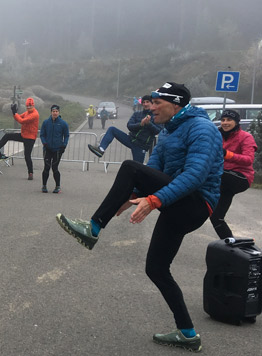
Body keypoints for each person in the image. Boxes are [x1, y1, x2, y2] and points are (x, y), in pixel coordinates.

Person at [56, 82, 222, 352]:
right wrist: (131, 195)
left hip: (195, 204)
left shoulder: (202, 129)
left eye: (157, 103)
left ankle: (94, 227)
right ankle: (188, 333)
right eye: (151, 102)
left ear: (176, 104)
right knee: (156, 268)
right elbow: (153, 168)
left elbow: (195, 175)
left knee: (129, 166)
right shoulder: (168, 132)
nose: (151, 107)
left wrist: (155, 199)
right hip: (177, 201)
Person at [210, 109, 257, 239]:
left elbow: (249, 159)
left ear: (236, 122)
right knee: (216, 217)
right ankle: (230, 244)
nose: (225, 123)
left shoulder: (246, 137)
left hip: (241, 177)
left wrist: (227, 154)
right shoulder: (217, 135)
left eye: (229, 120)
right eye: (223, 119)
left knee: (210, 175)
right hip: (224, 179)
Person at [87, 95, 162, 163]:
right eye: (143, 102)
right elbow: (129, 126)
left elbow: (158, 131)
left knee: (137, 169)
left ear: (152, 103)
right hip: (130, 139)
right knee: (112, 129)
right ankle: (101, 149)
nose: (145, 104)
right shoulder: (137, 114)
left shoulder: (156, 116)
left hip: (141, 146)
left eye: (147, 102)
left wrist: (148, 123)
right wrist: (140, 124)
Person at [0, 97, 39, 180]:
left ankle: (30, 173)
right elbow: (19, 117)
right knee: (7, 136)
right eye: (27, 106)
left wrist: (15, 112)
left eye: (30, 106)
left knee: (27, 156)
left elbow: (22, 121)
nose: (28, 107)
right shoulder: (27, 112)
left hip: (30, 138)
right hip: (24, 135)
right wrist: (14, 112)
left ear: (33, 106)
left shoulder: (35, 114)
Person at [39, 105, 69, 194]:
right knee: (46, 167)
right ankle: (44, 186)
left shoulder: (63, 123)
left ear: (59, 112)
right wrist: (44, 143)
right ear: (51, 112)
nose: (55, 113)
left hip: (57, 149)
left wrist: (64, 145)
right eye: (53, 111)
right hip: (47, 148)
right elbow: (42, 134)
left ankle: (57, 186)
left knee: (55, 167)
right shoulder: (46, 122)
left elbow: (66, 135)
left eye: (56, 111)